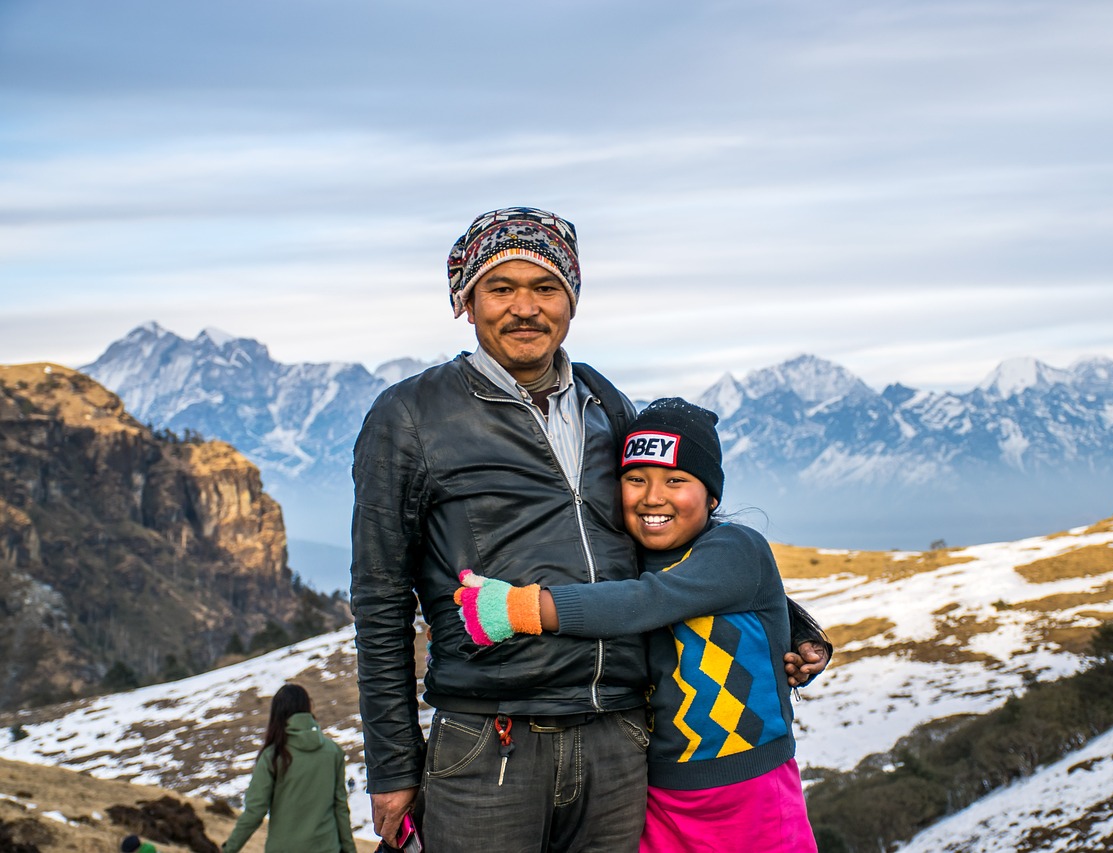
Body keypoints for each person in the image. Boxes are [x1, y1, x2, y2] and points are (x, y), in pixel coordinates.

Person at [350, 206, 830, 851]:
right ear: (466, 301)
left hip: (621, 740)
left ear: (572, 301)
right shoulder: (411, 415)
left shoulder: (605, 404)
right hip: (491, 742)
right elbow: (380, 596)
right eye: (501, 288)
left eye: (546, 288)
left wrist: (787, 625)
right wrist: (393, 765)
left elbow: (660, 542)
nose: (525, 308)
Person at [455, 398, 820, 851]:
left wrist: (522, 610)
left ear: (712, 495)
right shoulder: (623, 558)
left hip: (750, 788)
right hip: (660, 793)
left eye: (676, 480)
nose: (653, 496)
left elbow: (650, 600)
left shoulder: (735, 547)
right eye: (635, 479)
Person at [221, 683, 357, 853]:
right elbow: (341, 809)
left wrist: (228, 849)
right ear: (308, 708)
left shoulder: (273, 756)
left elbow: (255, 812)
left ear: (277, 714)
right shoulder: (333, 751)